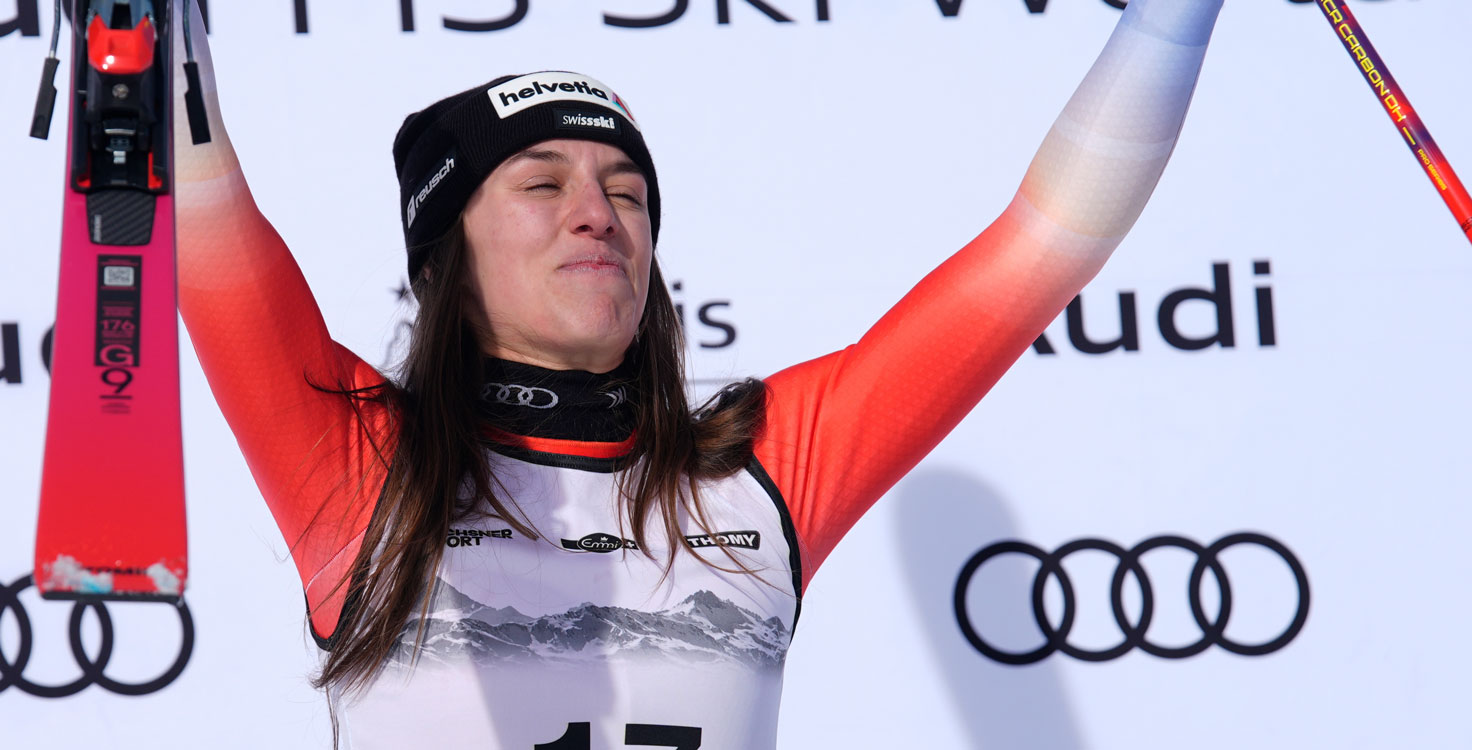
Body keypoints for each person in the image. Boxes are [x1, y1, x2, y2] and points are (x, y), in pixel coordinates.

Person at [170, 0, 1226, 747]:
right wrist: (149, 43)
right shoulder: (362, 469)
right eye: (542, 184)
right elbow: (197, 201)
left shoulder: (761, 473)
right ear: (443, 260)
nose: (598, 213)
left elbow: (1046, 242)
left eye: (627, 191)